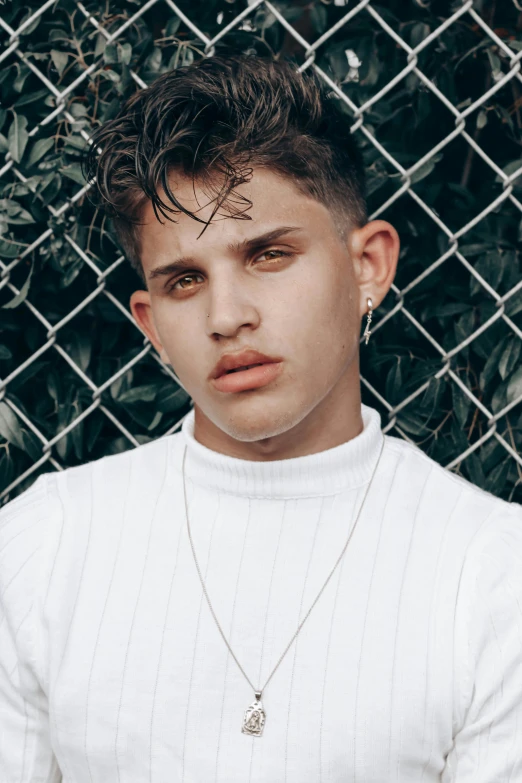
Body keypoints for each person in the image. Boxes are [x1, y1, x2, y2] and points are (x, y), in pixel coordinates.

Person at [0, 53, 521, 783]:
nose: (227, 316)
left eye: (269, 255)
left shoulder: (490, 573)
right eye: (185, 280)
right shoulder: (45, 547)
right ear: (150, 323)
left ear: (367, 264)